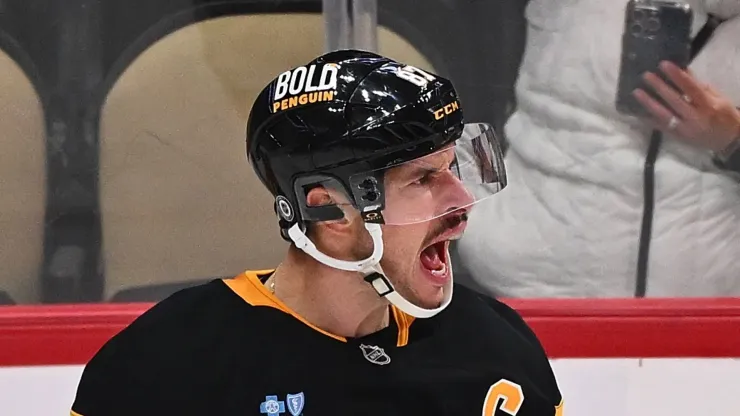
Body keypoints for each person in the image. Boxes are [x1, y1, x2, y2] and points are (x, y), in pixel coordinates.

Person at [70, 50, 564, 416]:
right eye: (423, 179)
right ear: (327, 207)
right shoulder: (168, 368)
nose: (461, 205)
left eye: (454, 169)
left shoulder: (497, 347)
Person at [457, 0, 740, 298]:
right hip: (527, 288)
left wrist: (732, 138)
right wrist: (478, 219)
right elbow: (470, 102)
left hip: (712, 310)